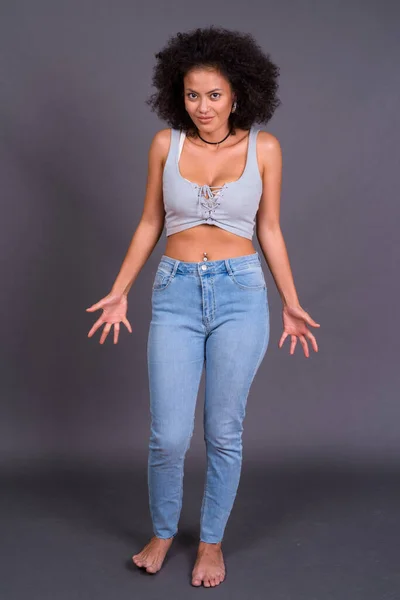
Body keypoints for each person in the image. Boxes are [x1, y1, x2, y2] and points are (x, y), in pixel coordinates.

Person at [86, 25, 320, 588]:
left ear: (237, 93)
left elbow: (270, 229)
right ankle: (164, 532)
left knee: (223, 431)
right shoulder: (165, 145)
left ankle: (210, 542)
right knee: (167, 435)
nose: (203, 107)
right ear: (177, 94)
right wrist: (119, 289)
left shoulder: (265, 148)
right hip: (176, 293)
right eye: (192, 94)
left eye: (214, 95)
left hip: (242, 293)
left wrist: (290, 301)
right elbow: (150, 222)